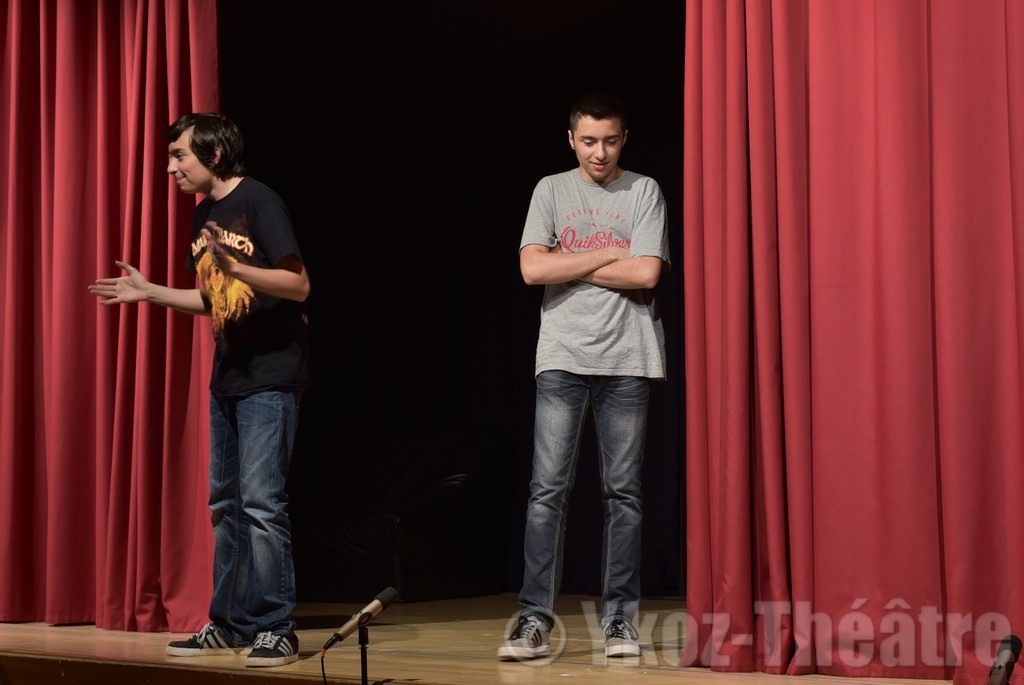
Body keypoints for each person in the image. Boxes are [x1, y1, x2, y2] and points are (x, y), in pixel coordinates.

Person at [89, 112, 311, 668]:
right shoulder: (203, 214)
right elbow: (217, 299)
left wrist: (237, 263)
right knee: (225, 506)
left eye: (179, 156)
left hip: (271, 376)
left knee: (262, 505)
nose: (171, 168)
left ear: (212, 155)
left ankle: (276, 627)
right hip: (229, 376)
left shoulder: (260, 202)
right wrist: (152, 293)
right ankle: (230, 624)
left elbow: (296, 283)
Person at [498, 92, 670, 662]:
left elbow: (647, 271)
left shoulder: (643, 190)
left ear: (625, 139)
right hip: (563, 356)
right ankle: (532, 619)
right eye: (590, 140)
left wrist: (568, 258)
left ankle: (619, 620)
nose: (601, 152)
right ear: (571, 139)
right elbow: (531, 268)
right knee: (547, 492)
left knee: (624, 495)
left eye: (611, 140)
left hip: (627, 358)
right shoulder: (551, 189)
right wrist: (607, 256)